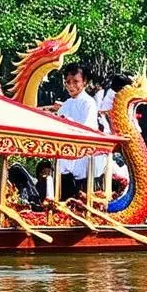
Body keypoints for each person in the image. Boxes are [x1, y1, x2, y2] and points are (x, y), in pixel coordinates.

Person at [50, 62, 98, 200]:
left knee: (79, 199)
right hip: (64, 161)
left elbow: (88, 129)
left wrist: (68, 121)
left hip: (82, 162)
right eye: (68, 82)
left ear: (85, 82)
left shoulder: (89, 103)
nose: (71, 85)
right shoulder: (67, 104)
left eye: (76, 81)